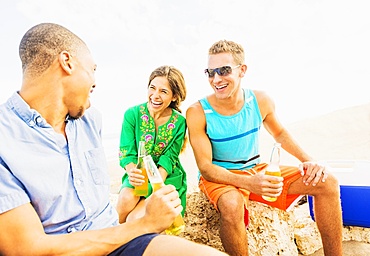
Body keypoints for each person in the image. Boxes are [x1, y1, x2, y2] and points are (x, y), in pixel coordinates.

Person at [0, 23, 227, 256]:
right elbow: (25, 249)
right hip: (67, 249)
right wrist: (142, 225)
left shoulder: (90, 120)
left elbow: (168, 156)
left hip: (118, 240)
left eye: (164, 91)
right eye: (92, 69)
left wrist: (139, 222)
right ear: (67, 63)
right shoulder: (4, 139)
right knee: (129, 198)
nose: (95, 82)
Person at [186, 39, 343, 256]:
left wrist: (308, 160)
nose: (216, 79)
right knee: (232, 205)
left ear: (242, 70)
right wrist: (249, 184)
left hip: (256, 170)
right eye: (210, 72)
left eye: (223, 70)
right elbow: (205, 168)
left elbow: (279, 133)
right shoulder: (197, 112)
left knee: (327, 183)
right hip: (221, 176)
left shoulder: (260, 100)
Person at [116, 65, 188, 224]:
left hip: (165, 175)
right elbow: (126, 152)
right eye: (152, 88)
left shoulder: (180, 122)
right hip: (138, 172)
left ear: (174, 96)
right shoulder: (132, 114)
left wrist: (156, 183)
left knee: (135, 219)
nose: (155, 95)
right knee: (125, 199)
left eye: (163, 91)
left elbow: (170, 157)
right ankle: (115, 240)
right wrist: (133, 172)